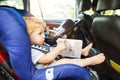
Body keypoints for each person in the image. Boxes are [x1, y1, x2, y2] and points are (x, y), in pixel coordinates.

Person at [24, 17, 105, 69]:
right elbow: (45, 59)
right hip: (47, 68)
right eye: (39, 34)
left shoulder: (38, 43)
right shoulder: (32, 50)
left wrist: (58, 47)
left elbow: (49, 51)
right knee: (64, 61)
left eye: (43, 33)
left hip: (52, 61)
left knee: (65, 48)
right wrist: (58, 49)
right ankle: (89, 61)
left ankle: (83, 51)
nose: (43, 36)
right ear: (28, 36)